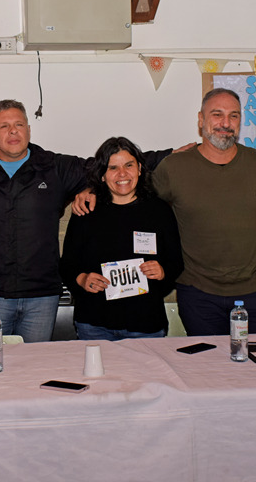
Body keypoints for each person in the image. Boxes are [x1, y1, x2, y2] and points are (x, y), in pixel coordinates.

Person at [0, 99, 173, 342]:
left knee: (37, 363)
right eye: (4, 126)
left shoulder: (54, 167)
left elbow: (109, 167)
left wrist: (174, 155)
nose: (13, 131)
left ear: (28, 130)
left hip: (42, 297)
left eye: (19, 125)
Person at [145, 88, 256, 336]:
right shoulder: (173, 167)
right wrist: (89, 189)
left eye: (234, 116)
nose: (225, 123)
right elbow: (140, 206)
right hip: (198, 294)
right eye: (217, 114)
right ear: (201, 119)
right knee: (208, 361)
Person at [59, 137, 183, 340]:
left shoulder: (159, 211)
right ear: (102, 175)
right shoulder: (86, 211)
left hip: (145, 324)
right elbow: (67, 264)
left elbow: (176, 262)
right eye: (113, 168)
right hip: (94, 324)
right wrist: (82, 279)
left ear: (140, 169)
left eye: (129, 165)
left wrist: (163, 272)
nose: (122, 174)